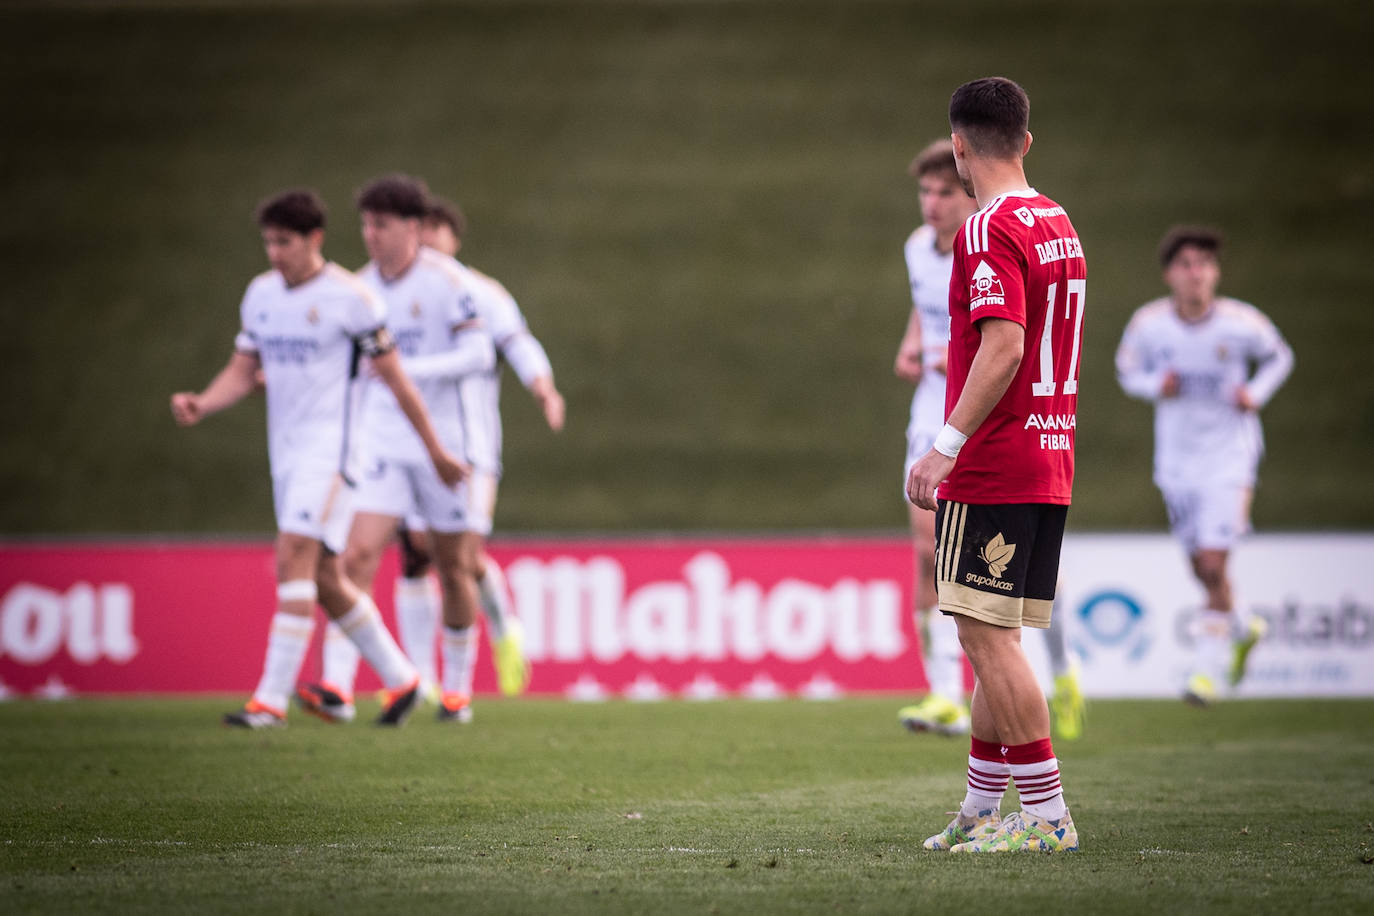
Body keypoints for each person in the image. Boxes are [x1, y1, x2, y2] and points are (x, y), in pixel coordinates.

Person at [170, 188, 466, 729]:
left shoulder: (351, 299)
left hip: (333, 456)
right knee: (327, 577)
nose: (274, 252)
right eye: (268, 242)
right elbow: (244, 369)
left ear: (314, 239)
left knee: (293, 554)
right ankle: (402, 678)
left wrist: (437, 451)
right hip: (285, 455)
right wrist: (205, 402)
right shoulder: (260, 295)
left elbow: (397, 380)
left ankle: (269, 701)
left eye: (284, 242)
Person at [906, 77, 1085, 853]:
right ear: (1026, 140)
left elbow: (1005, 343)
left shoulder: (986, 228)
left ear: (960, 147)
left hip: (995, 460)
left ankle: (1047, 819)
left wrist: (944, 444)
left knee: (986, 638)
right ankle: (983, 805)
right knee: (993, 634)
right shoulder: (1057, 220)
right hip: (1048, 452)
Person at [297, 175, 497, 726]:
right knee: (356, 557)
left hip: (446, 444)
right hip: (381, 440)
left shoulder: (448, 283)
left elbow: (479, 354)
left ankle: (456, 691)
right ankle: (337, 687)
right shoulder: (357, 290)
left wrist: (406, 370)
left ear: (412, 227)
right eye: (365, 224)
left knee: (455, 566)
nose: (370, 235)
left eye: (381, 224)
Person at [1115, 226, 1293, 706]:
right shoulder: (1150, 324)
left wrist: (1254, 394)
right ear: (1170, 273)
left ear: (1214, 272)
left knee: (1214, 561)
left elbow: (1280, 358)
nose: (1196, 274)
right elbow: (1126, 371)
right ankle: (1241, 625)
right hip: (1175, 461)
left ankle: (1205, 674)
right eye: (1186, 265)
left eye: (1204, 264)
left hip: (1229, 459)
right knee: (1201, 567)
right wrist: (1156, 385)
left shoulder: (1241, 323)